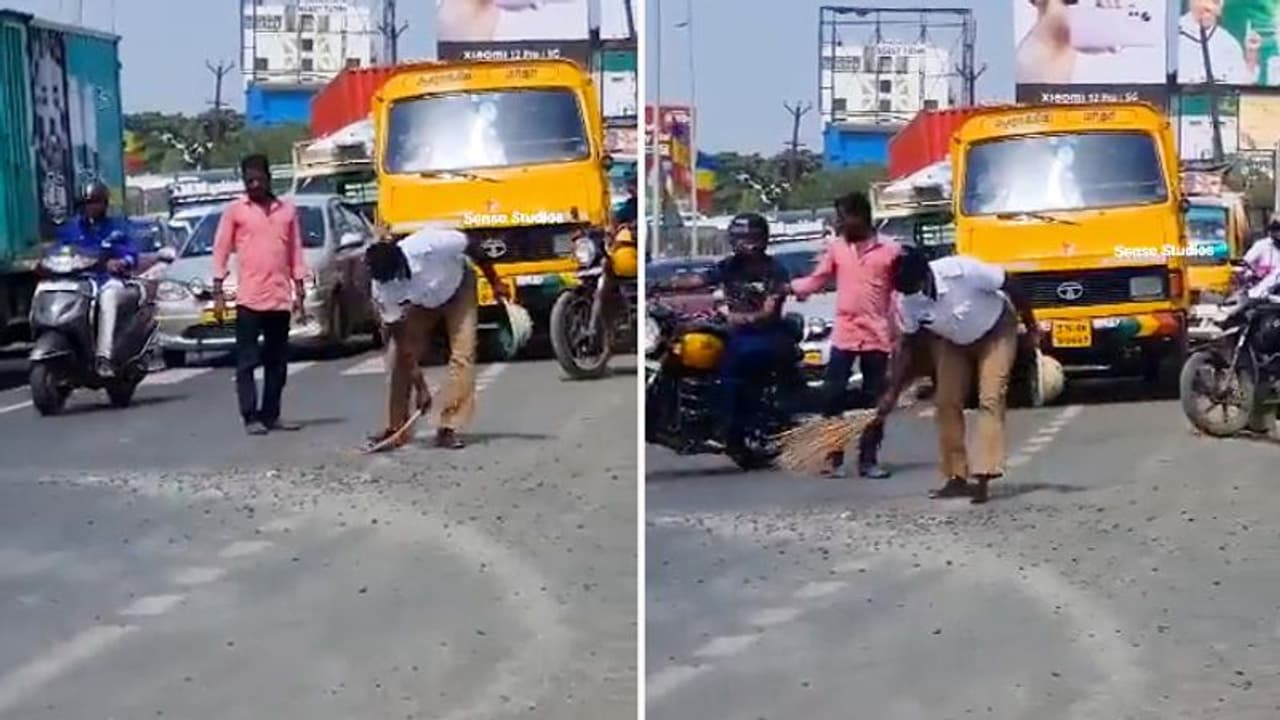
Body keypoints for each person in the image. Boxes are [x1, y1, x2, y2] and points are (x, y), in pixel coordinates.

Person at [872, 248, 1040, 505]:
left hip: (996, 330)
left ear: (927, 273)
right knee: (946, 403)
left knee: (990, 397)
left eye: (915, 287)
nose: (914, 294)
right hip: (952, 341)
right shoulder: (907, 301)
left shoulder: (963, 271)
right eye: (906, 290)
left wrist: (1031, 328)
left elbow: (1010, 284)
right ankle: (956, 477)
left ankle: (984, 474)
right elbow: (907, 347)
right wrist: (892, 392)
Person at [364, 222, 509, 451]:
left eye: (397, 276)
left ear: (401, 259)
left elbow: (473, 246)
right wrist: (420, 386)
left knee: (463, 353)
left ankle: (448, 427)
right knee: (396, 358)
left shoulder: (428, 244)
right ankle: (396, 428)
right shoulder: (382, 287)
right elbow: (401, 340)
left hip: (457, 287)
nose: (395, 284)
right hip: (422, 303)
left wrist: (495, 282)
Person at [791, 192, 900, 479]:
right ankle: (833, 457)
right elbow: (818, 278)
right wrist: (791, 289)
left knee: (874, 399)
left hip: (877, 335)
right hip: (845, 334)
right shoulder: (837, 248)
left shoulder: (890, 251)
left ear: (859, 217)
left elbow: (900, 294)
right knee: (831, 396)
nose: (839, 224)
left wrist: (901, 333)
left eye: (842, 218)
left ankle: (868, 460)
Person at [212, 154, 309, 436]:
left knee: (277, 362)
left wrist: (299, 290)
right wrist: (218, 290)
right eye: (248, 180)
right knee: (246, 361)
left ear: (268, 178)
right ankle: (250, 416)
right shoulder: (235, 211)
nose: (253, 185)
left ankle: (272, 414)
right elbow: (220, 249)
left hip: (279, 298)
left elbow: (295, 252)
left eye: (258, 179)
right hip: (249, 299)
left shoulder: (287, 211)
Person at [715, 212, 791, 455]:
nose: (745, 243)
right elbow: (700, 280)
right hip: (735, 333)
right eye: (740, 238)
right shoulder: (728, 266)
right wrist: (663, 285)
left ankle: (728, 423)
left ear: (763, 239)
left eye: (751, 238)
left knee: (735, 361)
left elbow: (768, 310)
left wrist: (740, 317)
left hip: (765, 334)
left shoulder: (774, 269)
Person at [56, 181, 140, 378]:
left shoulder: (116, 228)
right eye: (88, 203)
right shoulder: (71, 229)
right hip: (78, 281)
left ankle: (104, 357)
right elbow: (59, 250)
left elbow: (132, 253)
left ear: (105, 204)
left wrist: (121, 262)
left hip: (107, 281)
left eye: (96, 202)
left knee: (108, 298)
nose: (92, 207)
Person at [1178, 0, 1259, 85]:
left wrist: (1251, 56)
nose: (1208, 6)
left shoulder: (1229, 43)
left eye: (1215, 2)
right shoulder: (1170, 35)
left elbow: (1241, 83)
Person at [1243, 213, 1280, 298]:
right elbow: (1244, 263)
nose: (1279, 234)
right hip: (1260, 296)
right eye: (1276, 230)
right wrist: (1248, 274)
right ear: (1271, 231)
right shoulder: (1261, 246)